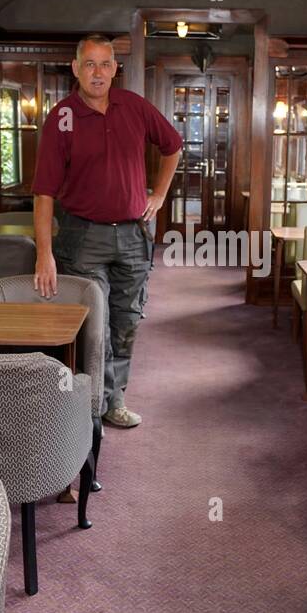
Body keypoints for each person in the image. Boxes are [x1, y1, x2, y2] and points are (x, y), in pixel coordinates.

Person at [31, 34, 182, 428]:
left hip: (133, 236)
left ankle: (115, 400)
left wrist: (160, 195)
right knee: (93, 326)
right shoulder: (61, 117)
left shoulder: (134, 106)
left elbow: (173, 146)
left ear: (116, 69)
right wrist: (43, 253)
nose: (97, 72)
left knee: (127, 320)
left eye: (104, 64)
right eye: (89, 64)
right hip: (83, 238)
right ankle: (90, 405)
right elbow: (44, 193)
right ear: (76, 68)